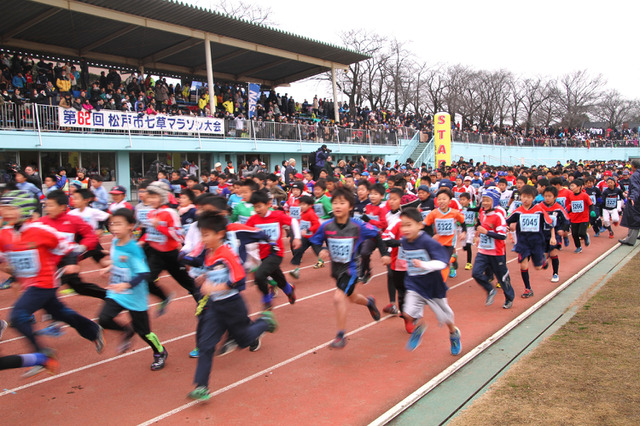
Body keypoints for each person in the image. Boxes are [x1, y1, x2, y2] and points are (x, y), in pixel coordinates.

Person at [0, 190, 104, 376]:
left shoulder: (41, 230)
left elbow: (68, 249)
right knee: (59, 312)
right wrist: (9, 268)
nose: (4, 211)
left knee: (18, 316)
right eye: (2, 207)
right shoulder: (4, 234)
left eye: (9, 208)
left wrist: (72, 264)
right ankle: (92, 329)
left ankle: (43, 355)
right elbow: (3, 260)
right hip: (28, 283)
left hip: (45, 281)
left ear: (22, 209)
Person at [188, 211, 278, 401]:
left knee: (244, 340)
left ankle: (264, 322)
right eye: (201, 235)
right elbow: (210, 272)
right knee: (205, 345)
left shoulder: (226, 253)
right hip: (215, 308)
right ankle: (202, 387)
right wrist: (204, 278)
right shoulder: (208, 254)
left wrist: (215, 287)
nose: (203, 239)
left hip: (233, 305)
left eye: (206, 235)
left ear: (220, 234)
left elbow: (238, 279)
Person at [309, 187, 390, 349]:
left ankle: (341, 335)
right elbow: (314, 241)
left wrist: (384, 253)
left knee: (339, 297)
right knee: (352, 297)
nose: (338, 206)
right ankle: (369, 302)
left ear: (351, 206)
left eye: (342, 203)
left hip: (352, 269)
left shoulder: (357, 226)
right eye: (335, 203)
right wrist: (321, 250)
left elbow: (377, 235)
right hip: (336, 270)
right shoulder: (327, 226)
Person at [98, 209, 168, 370]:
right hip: (116, 292)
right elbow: (119, 262)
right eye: (112, 224)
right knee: (104, 318)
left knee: (144, 332)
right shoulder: (115, 242)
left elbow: (143, 273)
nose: (114, 227)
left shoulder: (133, 249)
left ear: (130, 226)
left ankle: (159, 351)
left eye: (119, 224)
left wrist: (126, 285)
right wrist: (109, 267)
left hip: (134, 295)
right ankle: (126, 331)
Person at [399, 208, 462, 355]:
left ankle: (453, 333)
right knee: (407, 313)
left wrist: (424, 265)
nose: (405, 229)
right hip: (415, 284)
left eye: (409, 225)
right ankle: (419, 327)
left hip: (433, 285)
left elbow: (442, 263)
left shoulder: (427, 242)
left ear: (420, 225)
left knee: (445, 317)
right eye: (403, 225)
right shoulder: (404, 241)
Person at [140, 181, 200, 314]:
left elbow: (179, 236)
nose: (151, 200)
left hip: (171, 255)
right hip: (155, 255)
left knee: (188, 283)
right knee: (146, 280)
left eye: (154, 197)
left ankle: (203, 304)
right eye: (149, 197)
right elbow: (149, 234)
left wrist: (159, 227)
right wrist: (141, 242)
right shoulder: (150, 213)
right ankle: (163, 297)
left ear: (162, 197)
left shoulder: (170, 213)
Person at [245, 190, 300, 310]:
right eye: (255, 207)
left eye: (259, 206)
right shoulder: (253, 219)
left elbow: (293, 221)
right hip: (262, 254)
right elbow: (244, 231)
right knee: (277, 277)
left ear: (268, 204)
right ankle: (289, 290)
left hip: (276, 253)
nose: (257, 209)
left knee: (259, 276)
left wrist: (297, 237)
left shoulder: (277, 215)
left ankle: (266, 299)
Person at [506, 185, 554, 298]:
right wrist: (507, 226)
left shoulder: (539, 211)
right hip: (523, 243)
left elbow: (550, 223)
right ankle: (528, 288)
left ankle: (542, 260)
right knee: (523, 266)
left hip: (537, 242)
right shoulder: (518, 211)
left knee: (537, 267)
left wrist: (553, 237)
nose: (525, 199)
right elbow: (507, 220)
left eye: (528, 197)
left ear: (533, 198)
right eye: (523, 197)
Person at [471, 189, 515, 309]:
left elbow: (502, 235)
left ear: (494, 201)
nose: (484, 203)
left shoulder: (498, 216)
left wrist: (486, 232)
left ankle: (509, 298)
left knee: (502, 277)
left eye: (487, 200)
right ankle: (490, 289)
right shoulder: (483, 214)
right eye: (483, 200)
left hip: (496, 252)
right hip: (483, 251)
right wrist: (479, 234)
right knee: (476, 273)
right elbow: (482, 227)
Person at [565, 178, 593, 253]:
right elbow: (570, 205)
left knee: (581, 233)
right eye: (570, 186)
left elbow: (590, 204)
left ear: (579, 187)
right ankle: (578, 247)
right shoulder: (571, 196)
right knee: (574, 234)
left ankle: (585, 236)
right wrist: (566, 211)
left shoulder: (585, 195)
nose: (571, 188)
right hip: (574, 218)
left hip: (584, 218)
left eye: (573, 186)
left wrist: (592, 211)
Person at [620, 159, 640, 245]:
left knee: (634, 220)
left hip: (636, 201)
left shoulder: (635, 175)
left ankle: (630, 240)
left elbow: (636, 188)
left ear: (633, 166)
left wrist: (632, 197)